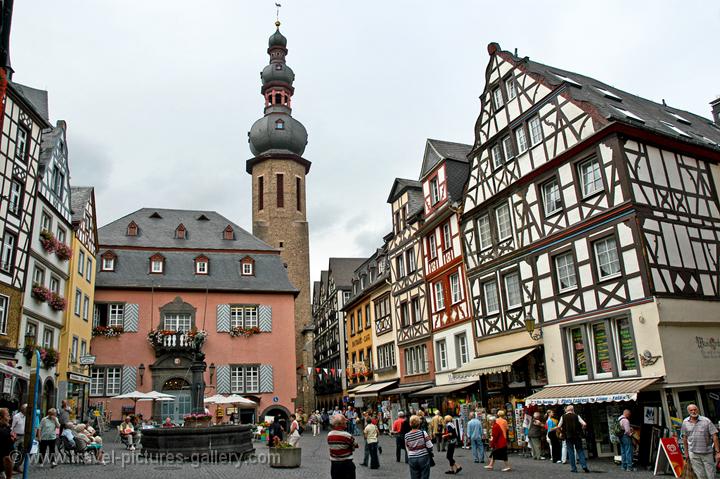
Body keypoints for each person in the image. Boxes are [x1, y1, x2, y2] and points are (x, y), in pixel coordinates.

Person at [681, 404, 720, 479]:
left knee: (711, 475)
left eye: (695, 409)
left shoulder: (706, 421)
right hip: (693, 453)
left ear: (698, 410)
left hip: (707, 453)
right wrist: (686, 453)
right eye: (691, 410)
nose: (693, 411)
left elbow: (714, 436)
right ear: (688, 411)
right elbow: (684, 438)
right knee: (700, 476)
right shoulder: (685, 422)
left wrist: (718, 452)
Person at [558, 405, 589, 473]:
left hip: (568, 436)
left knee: (570, 451)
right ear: (573, 410)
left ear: (567, 410)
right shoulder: (576, 416)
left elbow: (558, 426)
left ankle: (574, 468)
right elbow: (584, 424)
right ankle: (584, 466)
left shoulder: (563, 416)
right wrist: (581, 429)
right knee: (580, 451)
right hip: (577, 436)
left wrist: (562, 433)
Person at [327, 413, 358, 479]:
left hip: (334, 464)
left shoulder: (329, 435)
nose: (346, 424)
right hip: (346, 463)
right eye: (345, 422)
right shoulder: (347, 435)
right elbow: (356, 445)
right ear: (341, 424)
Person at [405, 415, 434, 479]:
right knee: (424, 475)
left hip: (412, 458)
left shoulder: (407, 435)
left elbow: (407, 447)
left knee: (414, 476)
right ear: (419, 424)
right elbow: (430, 446)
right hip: (423, 457)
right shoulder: (423, 433)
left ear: (410, 424)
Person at [0, 408, 15, 479]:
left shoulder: (6, 428)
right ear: (0, 417)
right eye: (7, 416)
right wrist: (9, 477)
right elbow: (7, 458)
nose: (9, 418)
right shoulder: (4, 432)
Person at [10, 404, 24, 471]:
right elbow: (12, 427)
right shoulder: (16, 416)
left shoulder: (29, 416)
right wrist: (13, 436)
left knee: (22, 452)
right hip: (17, 436)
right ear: (22, 409)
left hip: (24, 436)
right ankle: (11, 468)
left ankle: (17, 466)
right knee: (14, 452)